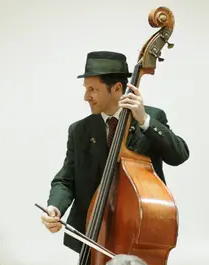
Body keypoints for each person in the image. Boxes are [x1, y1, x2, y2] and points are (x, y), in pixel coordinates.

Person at [42, 51, 189, 250]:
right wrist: (55, 207)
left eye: (93, 89)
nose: (86, 97)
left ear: (117, 88)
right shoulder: (79, 130)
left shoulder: (151, 117)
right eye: (86, 89)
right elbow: (66, 179)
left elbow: (179, 155)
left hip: (139, 235)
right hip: (94, 238)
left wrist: (144, 120)